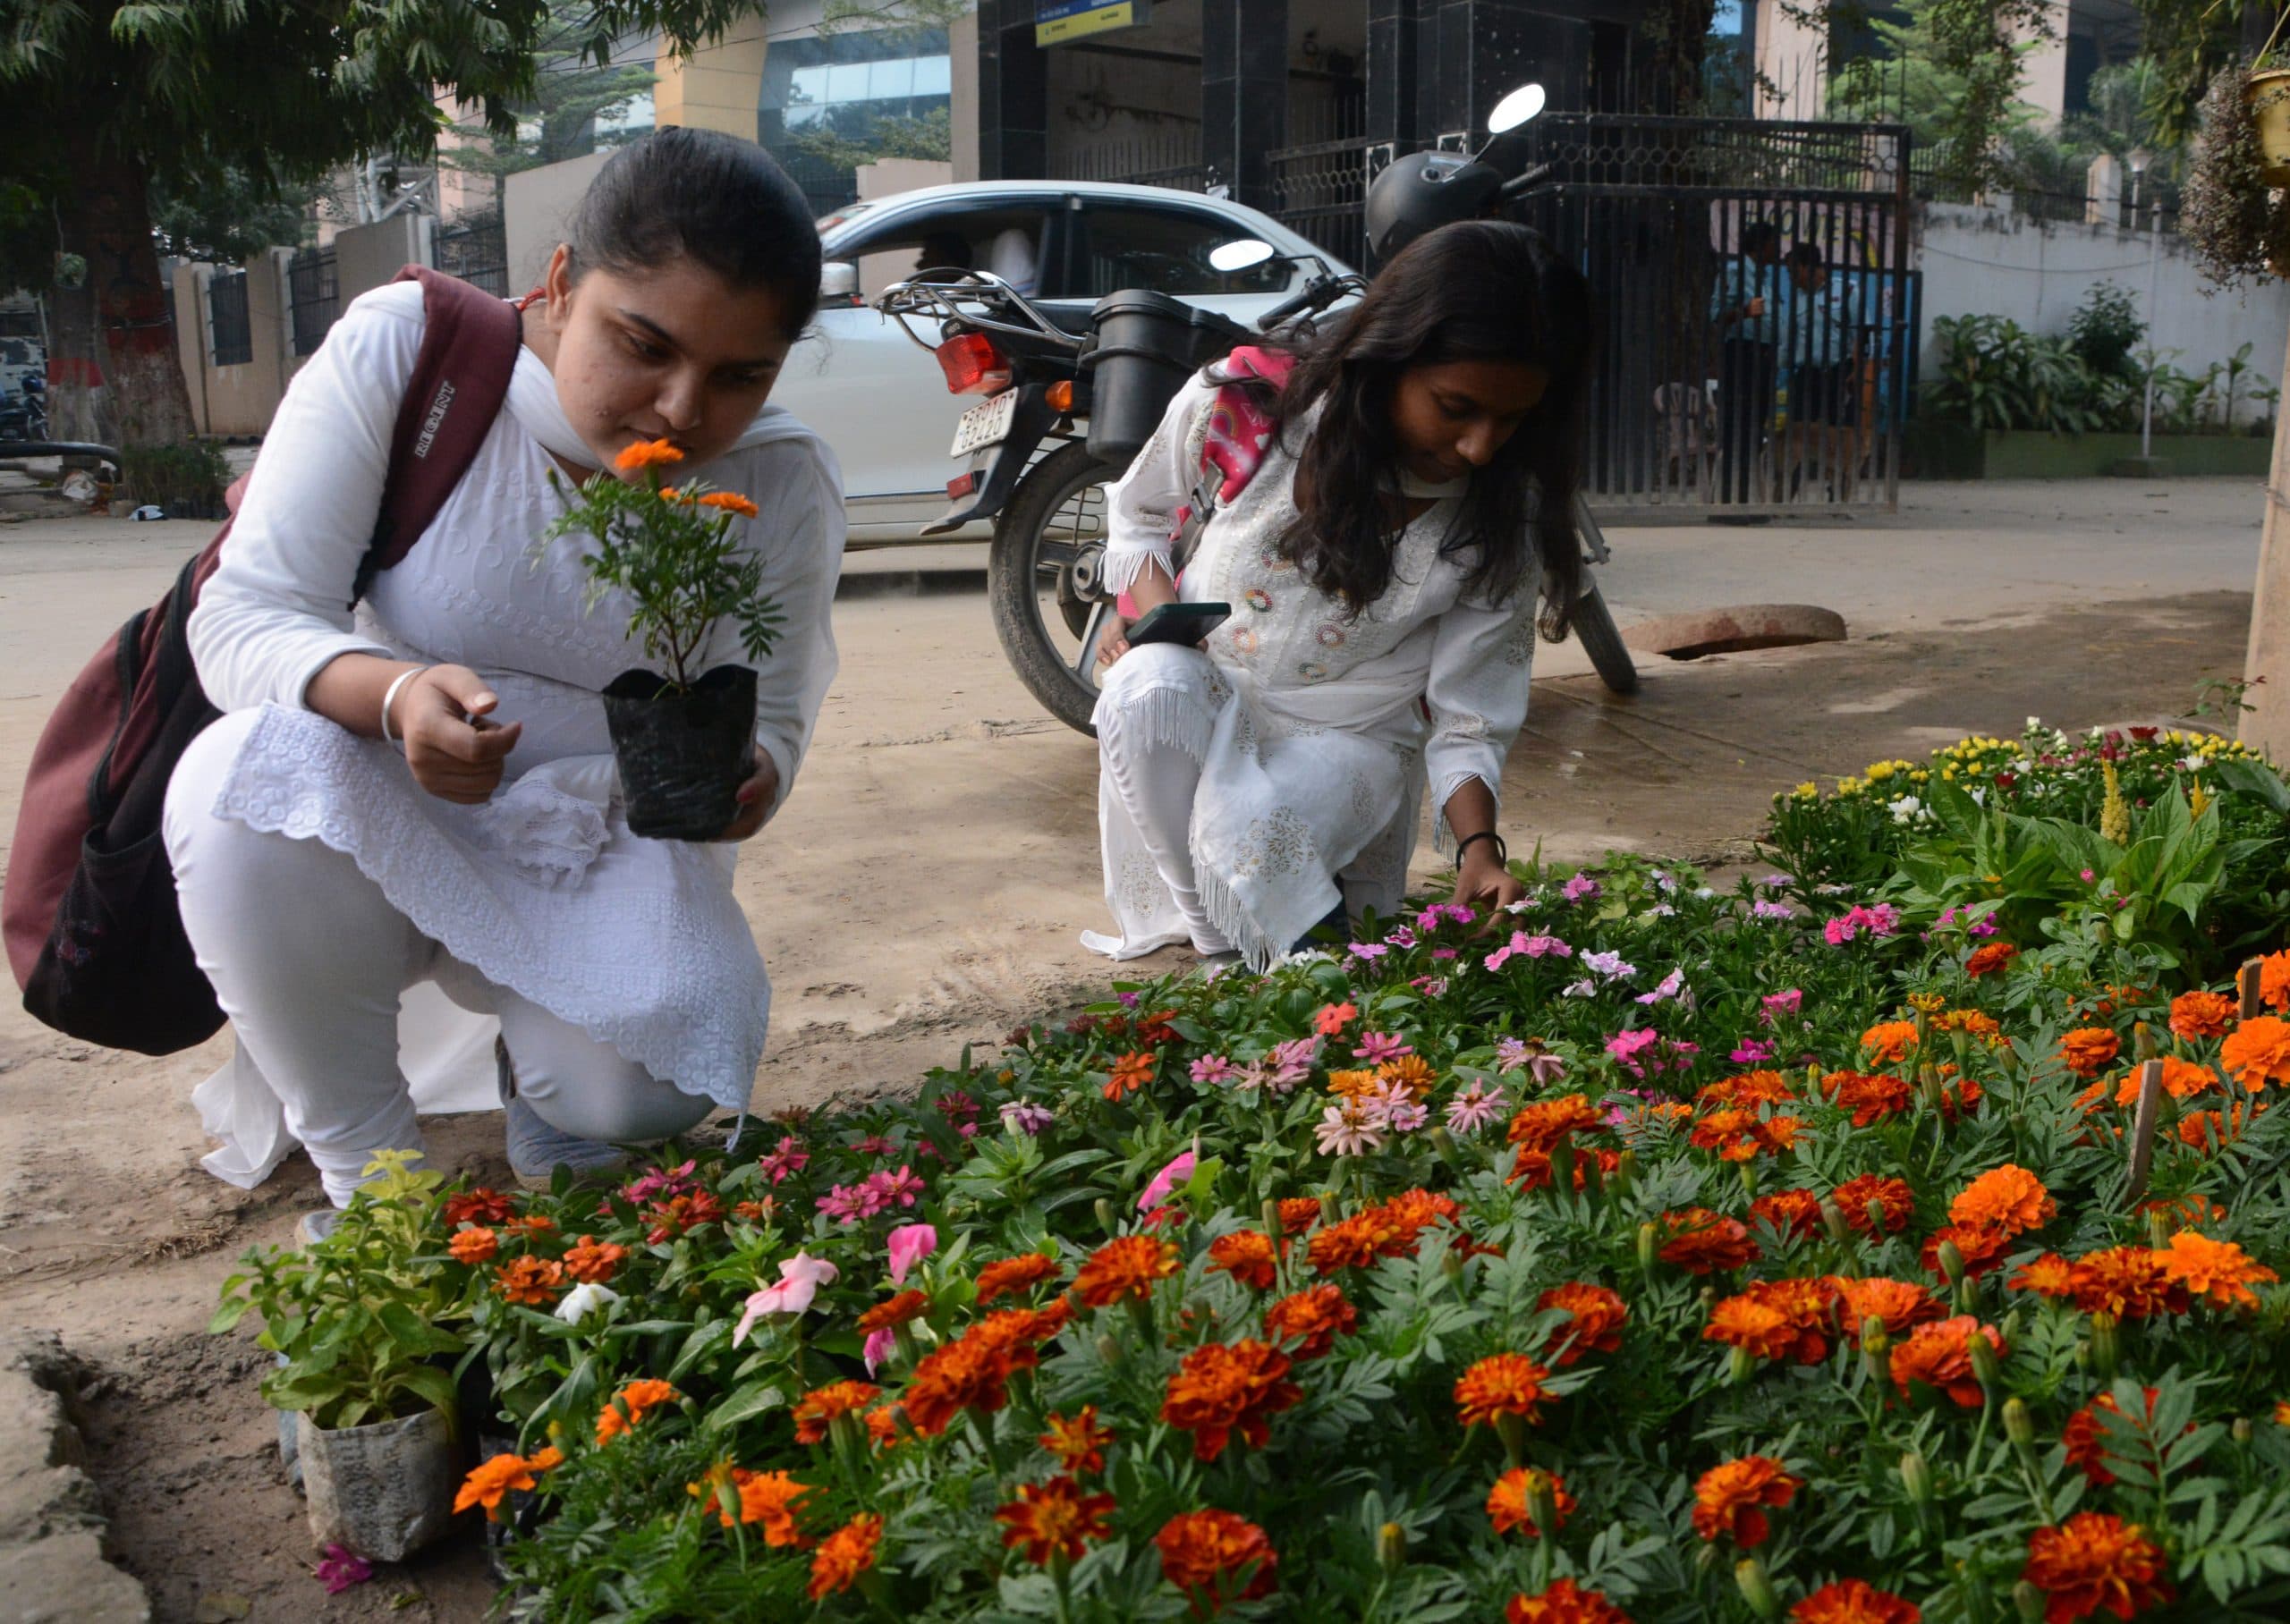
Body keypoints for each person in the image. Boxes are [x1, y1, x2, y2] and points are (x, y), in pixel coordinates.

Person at [162, 128, 845, 1206]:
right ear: (564, 282)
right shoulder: (414, 355)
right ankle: (374, 1187)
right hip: (388, 804)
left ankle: (548, 1079)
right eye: (643, 344)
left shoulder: (781, 478)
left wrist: (753, 780)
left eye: (738, 375)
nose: (678, 410)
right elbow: (244, 617)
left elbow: (784, 708)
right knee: (238, 783)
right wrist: (391, 697)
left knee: (652, 1095)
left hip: (598, 835)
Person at [1081, 220, 1594, 970]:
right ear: (1386, 360)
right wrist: (1152, 622)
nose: (1482, 446)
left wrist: (1478, 853)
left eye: (1511, 419)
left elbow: (1470, 716)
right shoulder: (1250, 407)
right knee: (1142, 686)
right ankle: (1220, 933)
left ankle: (1226, 949)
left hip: (1350, 739)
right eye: (1456, 408)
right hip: (1209, 698)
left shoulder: (1499, 518)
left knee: (1250, 838)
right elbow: (1138, 515)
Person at [1778, 241, 1858, 497]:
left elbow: (1861, 333)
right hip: (1806, 374)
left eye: (1793, 271)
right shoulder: (1797, 300)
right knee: (1797, 430)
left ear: (1807, 268)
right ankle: (1788, 491)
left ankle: (1839, 492)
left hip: (1837, 372)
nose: (1790, 278)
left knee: (1838, 434)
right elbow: (1790, 340)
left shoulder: (1846, 291)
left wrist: (1857, 370)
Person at [1710, 219, 1781, 504]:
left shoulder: (1766, 277)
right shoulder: (1734, 271)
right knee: (1737, 427)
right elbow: (1716, 315)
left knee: (1755, 429)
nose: (1777, 249)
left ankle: (1748, 499)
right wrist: (1744, 310)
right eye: (1774, 243)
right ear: (1762, 245)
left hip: (1764, 357)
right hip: (1741, 354)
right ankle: (1729, 500)